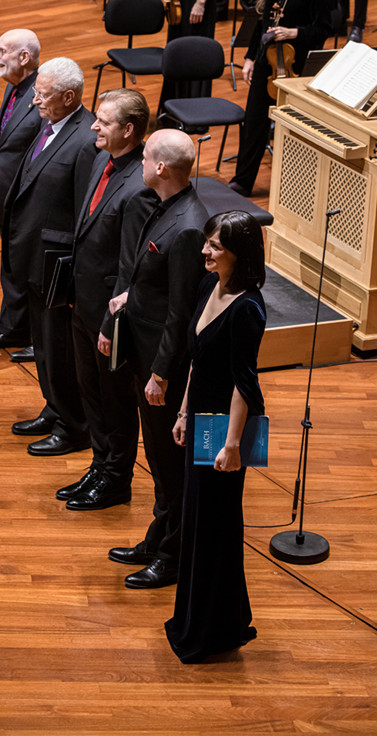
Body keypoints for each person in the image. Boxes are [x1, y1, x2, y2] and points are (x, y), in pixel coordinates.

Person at [105, 130, 208, 589]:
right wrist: (131, 295)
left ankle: (173, 555)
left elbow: (181, 312)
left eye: (145, 157)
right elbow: (157, 282)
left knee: (169, 465)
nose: (141, 163)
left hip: (162, 365)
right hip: (143, 350)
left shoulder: (187, 226)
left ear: (161, 167)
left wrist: (162, 373)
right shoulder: (165, 207)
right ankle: (158, 535)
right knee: (161, 464)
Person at [165, 211, 266, 664]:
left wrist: (230, 445)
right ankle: (196, 620)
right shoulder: (211, 287)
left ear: (237, 254)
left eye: (215, 246)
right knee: (197, 520)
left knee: (217, 527)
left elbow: (244, 385)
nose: (204, 251)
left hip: (226, 429)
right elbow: (198, 362)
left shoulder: (248, 307)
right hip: (202, 418)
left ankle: (215, 630)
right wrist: (184, 411)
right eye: (206, 242)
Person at [58, 89, 156, 511]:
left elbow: (130, 267)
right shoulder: (103, 160)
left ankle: (116, 478)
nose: (94, 127)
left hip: (109, 318)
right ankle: (100, 466)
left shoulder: (138, 187)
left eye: (104, 121)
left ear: (129, 130)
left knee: (115, 400)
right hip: (82, 303)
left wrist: (109, 325)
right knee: (91, 392)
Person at [2, 58, 99, 455]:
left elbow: (83, 212)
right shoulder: (52, 122)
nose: (35, 99)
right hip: (33, 257)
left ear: (69, 97)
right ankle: (54, 406)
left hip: (56, 265)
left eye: (43, 94)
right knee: (43, 345)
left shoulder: (84, 140)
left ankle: (74, 425)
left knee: (59, 347)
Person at [228, 0, 332, 197]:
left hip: (295, 66)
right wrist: (250, 57)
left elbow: (324, 28)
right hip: (267, 62)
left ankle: (295, 187)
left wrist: (293, 32)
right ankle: (243, 180)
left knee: (293, 127)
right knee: (254, 122)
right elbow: (263, 23)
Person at [0, 29, 41, 360]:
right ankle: (13, 329)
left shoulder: (43, 95)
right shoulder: (14, 89)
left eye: (1, 51)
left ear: (24, 58)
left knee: (29, 268)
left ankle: (37, 338)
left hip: (27, 198)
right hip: (5, 193)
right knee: (11, 263)